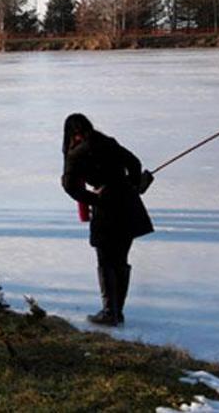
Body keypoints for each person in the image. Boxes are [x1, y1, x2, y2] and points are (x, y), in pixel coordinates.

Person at [61, 113, 153, 326]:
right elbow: (134, 162)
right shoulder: (108, 142)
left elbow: (69, 185)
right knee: (120, 259)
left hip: (106, 209)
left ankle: (109, 312)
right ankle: (117, 312)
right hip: (129, 205)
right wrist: (130, 184)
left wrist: (93, 198)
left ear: (72, 134)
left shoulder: (76, 154)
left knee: (105, 259)